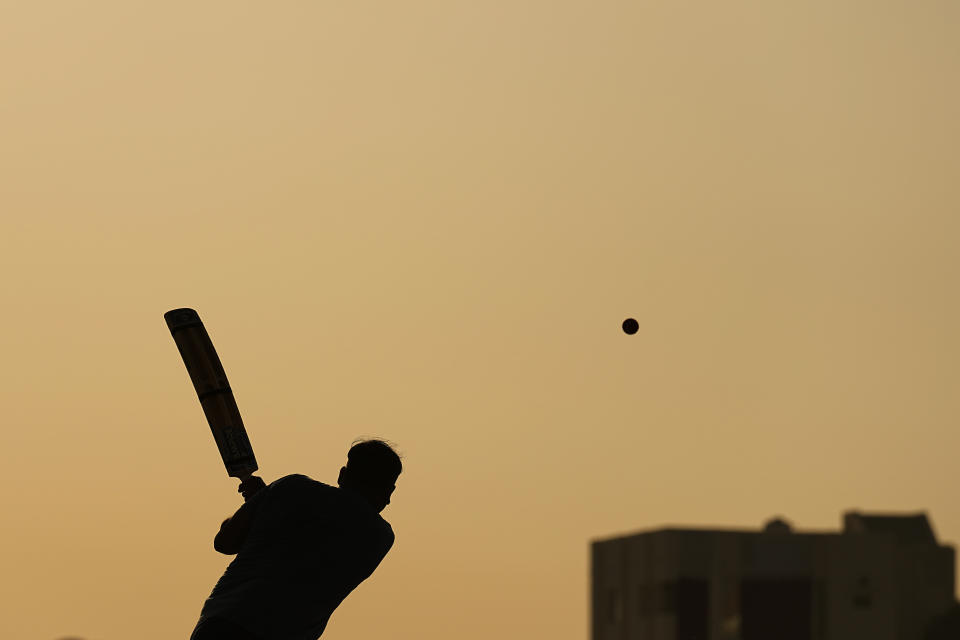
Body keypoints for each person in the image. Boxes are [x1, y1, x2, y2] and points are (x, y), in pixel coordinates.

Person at [189, 439, 402, 640]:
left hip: (224, 623)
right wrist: (266, 504)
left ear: (342, 474)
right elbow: (317, 540)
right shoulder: (379, 537)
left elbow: (225, 542)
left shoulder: (291, 488)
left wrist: (261, 505)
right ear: (389, 491)